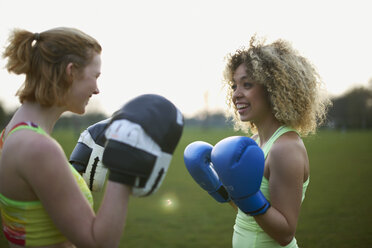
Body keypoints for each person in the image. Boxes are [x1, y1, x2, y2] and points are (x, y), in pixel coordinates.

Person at [0, 27, 183, 248]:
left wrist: (72, 178)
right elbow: (97, 243)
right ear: (71, 71)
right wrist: (122, 169)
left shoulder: (11, 134)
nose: (96, 89)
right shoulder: (37, 147)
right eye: (95, 76)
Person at [184, 35, 330, 248]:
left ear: (273, 89)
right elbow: (249, 212)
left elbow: (285, 233)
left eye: (247, 84)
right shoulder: (254, 142)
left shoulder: (285, 147)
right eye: (234, 86)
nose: (236, 95)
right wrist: (219, 188)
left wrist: (250, 196)